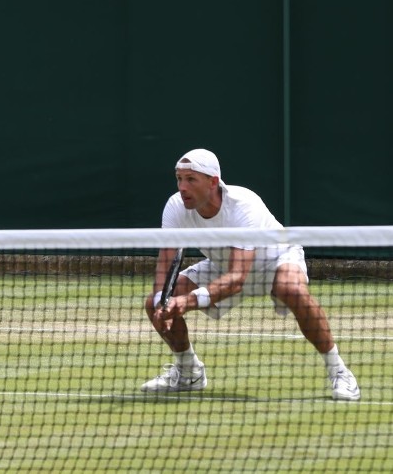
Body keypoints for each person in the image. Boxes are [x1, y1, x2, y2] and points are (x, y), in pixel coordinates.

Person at [142, 148, 361, 401]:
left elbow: (238, 279)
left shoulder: (243, 205)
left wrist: (187, 301)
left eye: (191, 179)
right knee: (153, 302)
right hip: (223, 264)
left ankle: (339, 371)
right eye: (179, 179)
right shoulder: (176, 207)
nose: (182, 187)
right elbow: (165, 263)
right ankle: (188, 371)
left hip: (275, 258)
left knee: (293, 290)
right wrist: (162, 301)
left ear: (213, 182)